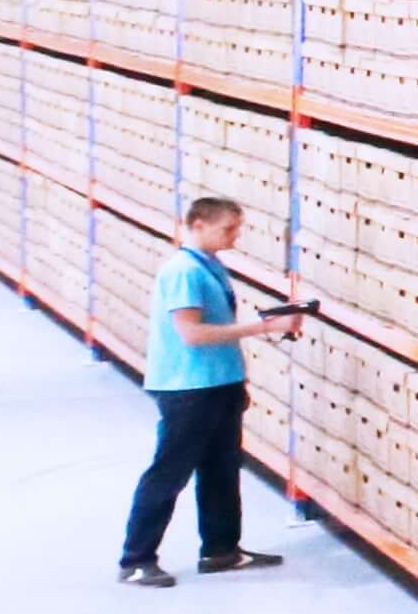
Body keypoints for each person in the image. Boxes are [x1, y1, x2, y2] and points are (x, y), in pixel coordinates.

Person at [123, 193, 305, 588]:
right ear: (198, 225)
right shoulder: (183, 272)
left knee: (221, 470)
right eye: (229, 228)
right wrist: (264, 328)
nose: (235, 236)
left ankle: (221, 549)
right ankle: (136, 559)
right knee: (169, 472)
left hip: (219, 383)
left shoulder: (210, 265)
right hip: (188, 387)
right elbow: (192, 333)